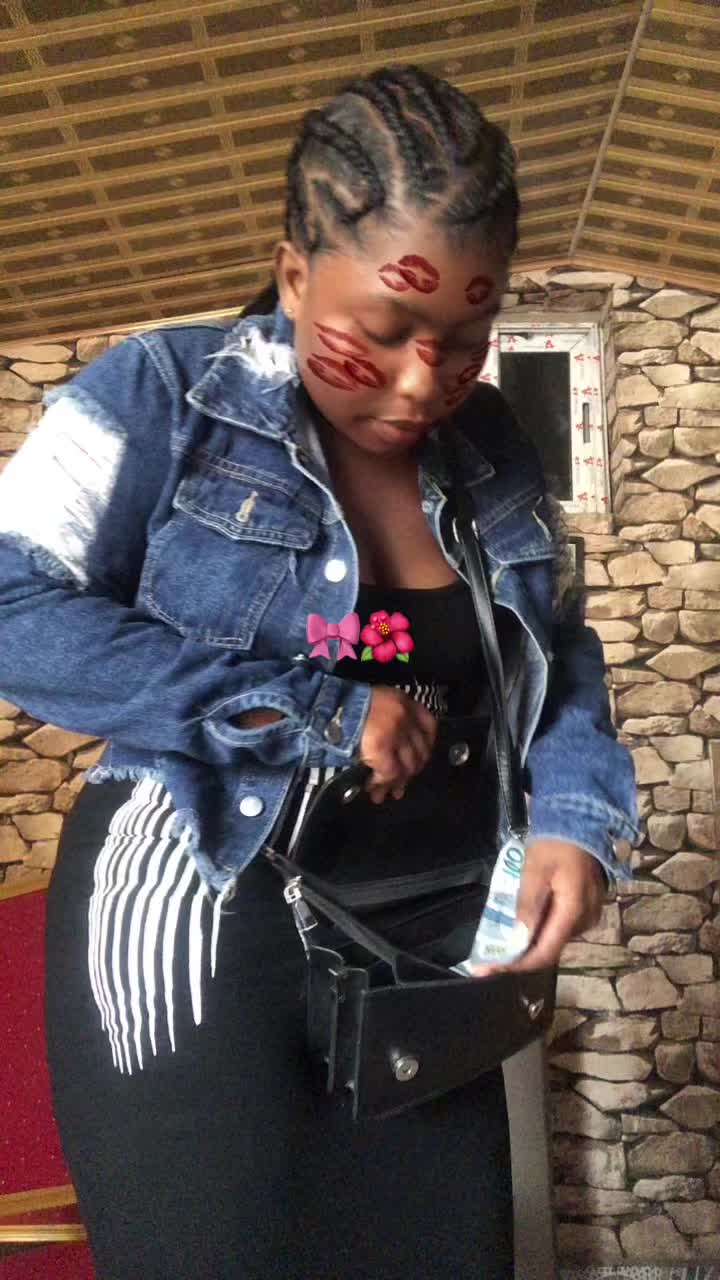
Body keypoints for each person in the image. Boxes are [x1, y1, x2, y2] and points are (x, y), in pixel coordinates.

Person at [0, 63, 638, 1279]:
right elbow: (9, 602)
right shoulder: (164, 394)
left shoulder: (493, 442)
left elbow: (556, 654)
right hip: (196, 913)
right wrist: (313, 709)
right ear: (294, 274)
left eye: (463, 341)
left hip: (422, 950)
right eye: (383, 332)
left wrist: (573, 818)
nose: (422, 381)